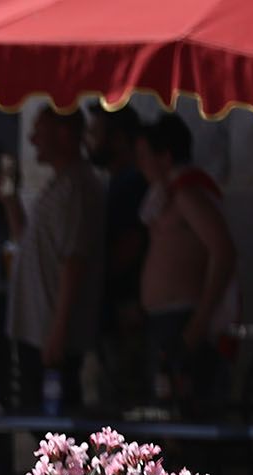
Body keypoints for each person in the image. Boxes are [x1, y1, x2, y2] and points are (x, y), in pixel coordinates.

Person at [0, 108, 104, 415]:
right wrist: (9, 202)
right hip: (36, 327)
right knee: (35, 413)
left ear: (64, 134)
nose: (32, 140)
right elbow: (30, 244)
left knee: (52, 420)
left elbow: (74, 261)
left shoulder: (76, 188)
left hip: (49, 331)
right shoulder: (60, 185)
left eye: (39, 131)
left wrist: (58, 330)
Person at [135, 114, 236, 421]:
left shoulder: (188, 196)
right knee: (164, 415)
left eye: (144, 156)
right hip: (164, 322)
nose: (140, 165)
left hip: (183, 322)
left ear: (165, 156)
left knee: (184, 418)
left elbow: (223, 252)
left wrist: (198, 324)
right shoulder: (166, 196)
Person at [84, 106, 149, 411]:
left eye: (95, 133)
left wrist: (94, 278)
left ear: (119, 139)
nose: (88, 141)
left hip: (126, 313)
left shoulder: (130, 183)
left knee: (123, 403)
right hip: (116, 314)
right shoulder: (117, 182)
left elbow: (129, 245)